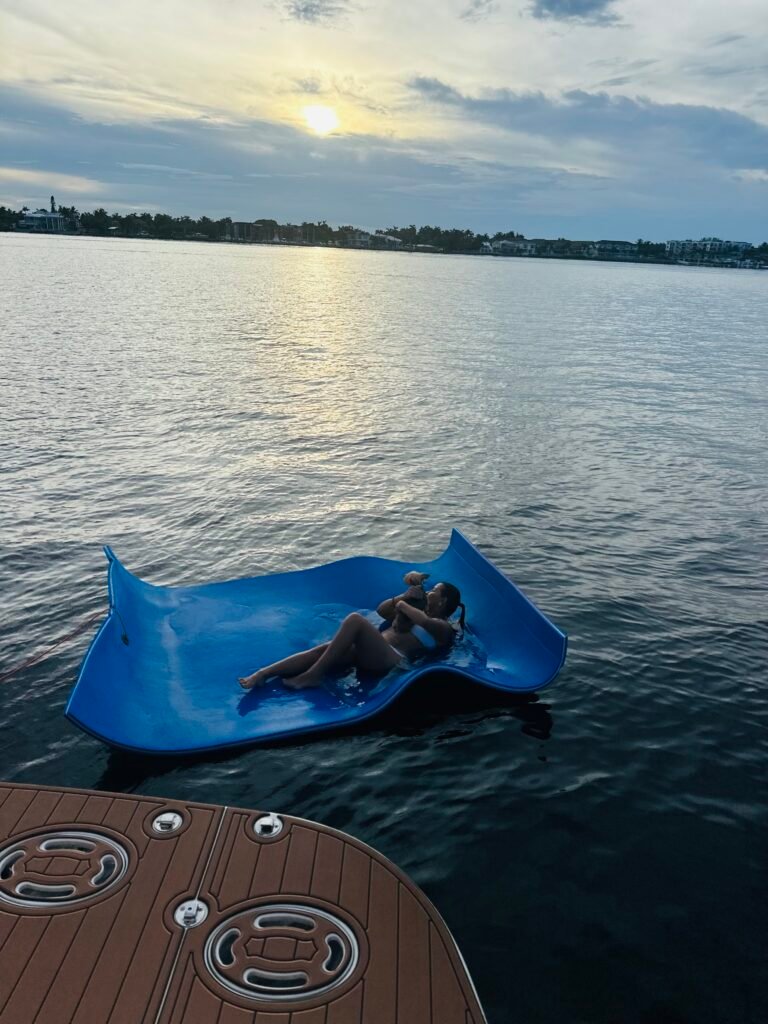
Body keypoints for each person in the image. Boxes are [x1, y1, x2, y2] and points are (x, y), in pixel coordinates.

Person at [237, 581, 466, 691]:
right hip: (372, 650)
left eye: (432, 592)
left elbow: (423, 621)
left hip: (391, 659)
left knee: (355, 619)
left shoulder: (443, 627)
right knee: (324, 650)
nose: (427, 593)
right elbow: (382, 610)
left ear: (443, 601)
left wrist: (406, 603)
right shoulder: (414, 610)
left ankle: (312, 676)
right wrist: (401, 596)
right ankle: (264, 673)